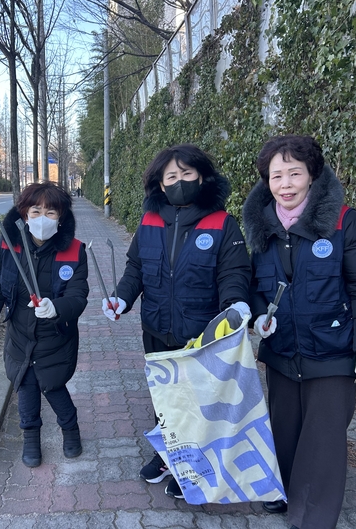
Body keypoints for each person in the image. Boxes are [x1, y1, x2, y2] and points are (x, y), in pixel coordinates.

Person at [242, 135, 356, 529]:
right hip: (282, 350)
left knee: (323, 437)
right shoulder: (261, 225)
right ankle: (285, 488)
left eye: (295, 173)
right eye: (276, 176)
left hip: (333, 347)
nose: (285, 184)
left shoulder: (343, 221)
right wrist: (259, 316)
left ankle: (312, 516)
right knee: (285, 427)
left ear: (312, 175)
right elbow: (255, 285)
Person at [102, 144, 252, 499]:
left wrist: (234, 306)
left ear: (202, 177)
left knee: (198, 402)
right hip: (156, 328)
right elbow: (136, 267)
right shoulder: (150, 221)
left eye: (187, 174)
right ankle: (167, 455)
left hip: (201, 335)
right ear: (160, 183)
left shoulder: (221, 223)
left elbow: (233, 274)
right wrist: (122, 297)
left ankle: (196, 468)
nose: (179, 181)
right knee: (166, 398)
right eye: (171, 176)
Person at [0, 182, 89, 468]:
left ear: (61, 217)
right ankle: (30, 438)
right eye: (36, 211)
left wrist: (56, 308)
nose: (42, 218)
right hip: (19, 334)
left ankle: (70, 430)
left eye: (51, 212)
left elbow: (78, 296)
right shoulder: (8, 245)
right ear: (24, 214)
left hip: (56, 336)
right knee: (25, 385)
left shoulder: (74, 251)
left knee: (53, 386)